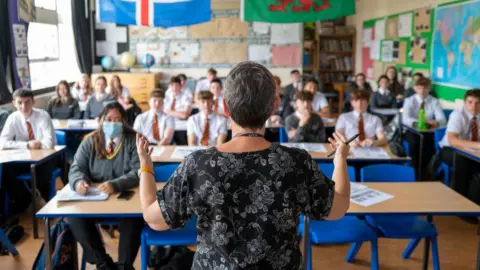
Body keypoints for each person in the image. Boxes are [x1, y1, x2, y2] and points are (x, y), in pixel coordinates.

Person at [136, 61, 350, 269]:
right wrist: (340, 161)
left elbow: (154, 219)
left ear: (226, 108)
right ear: (272, 107)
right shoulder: (296, 162)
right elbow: (337, 209)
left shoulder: (198, 164)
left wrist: (146, 167)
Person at [68, 102, 143, 270]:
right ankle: (103, 263)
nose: (113, 123)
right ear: (101, 120)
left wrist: (116, 184)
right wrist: (79, 181)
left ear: (124, 121)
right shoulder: (90, 141)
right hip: (95, 199)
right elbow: (76, 167)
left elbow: (138, 170)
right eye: (109, 119)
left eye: (118, 119)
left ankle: (124, 265)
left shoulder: (133, 140)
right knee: (74, 217)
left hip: (125, 196)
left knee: (133, 218)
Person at [0, 89, 57, 205]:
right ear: (14, 103)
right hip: (24, 158)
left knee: (39, 172)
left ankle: (44, 203)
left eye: (27, 102)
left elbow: (49, 143)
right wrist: (27, 145)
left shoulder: (43, 115)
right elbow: (2, 143)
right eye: (20, 102)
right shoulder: (13, 118)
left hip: (46, 158)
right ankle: (24, 200)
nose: (24, 106)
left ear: (33, 102)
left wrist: (38, 144)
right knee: (6, 169)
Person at [439, 89, 480, 201]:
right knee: (464, 162)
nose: (473, 106)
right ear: (464, 102)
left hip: (471, 151)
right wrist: (478, 145)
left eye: (477, 103)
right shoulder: (457, 115)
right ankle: (460, 201)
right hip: (449, 149)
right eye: (470, 102)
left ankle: (474, 203)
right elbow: (453, 141)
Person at [403, 77, 446, 179]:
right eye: (419, 88)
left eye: (425, 88)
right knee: (415, 145)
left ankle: (427, 172)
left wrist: (436, 122)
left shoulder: (434, 101)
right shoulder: (409, 100)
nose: (422, 91)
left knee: (434, 146)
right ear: (415, 88)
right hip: (412, 130)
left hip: (429, 131)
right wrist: (420, 122)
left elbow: (442, 119)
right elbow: (405, 119)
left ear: (429, 89)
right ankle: (415, 172)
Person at [165, 76, 193, 145]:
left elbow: (185, 115)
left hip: (181, 125)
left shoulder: (185, 97)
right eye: (172, 85)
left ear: (181, 86)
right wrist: (179, 113)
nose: (174, 88)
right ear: (169, 86)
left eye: (177, 86)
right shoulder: (166, 97)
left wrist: (168, 111)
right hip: (167, 125)